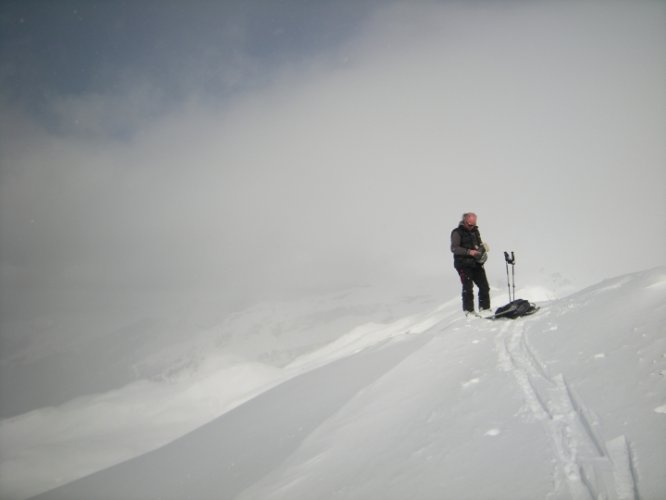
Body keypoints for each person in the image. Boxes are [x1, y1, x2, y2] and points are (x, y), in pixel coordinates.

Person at [450, 212, 490, 315]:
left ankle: (484, 309)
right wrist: (469, 252)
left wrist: (483, 250)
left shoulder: (475, 231)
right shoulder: (457, 232)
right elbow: (454, 248)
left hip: (476, 263)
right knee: (468, 287)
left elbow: (478, 245)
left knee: (484, 286)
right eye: (470, 224)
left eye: (474, 224)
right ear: (464, 221)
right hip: (463, 264)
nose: (472, 226)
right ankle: (469, 311)